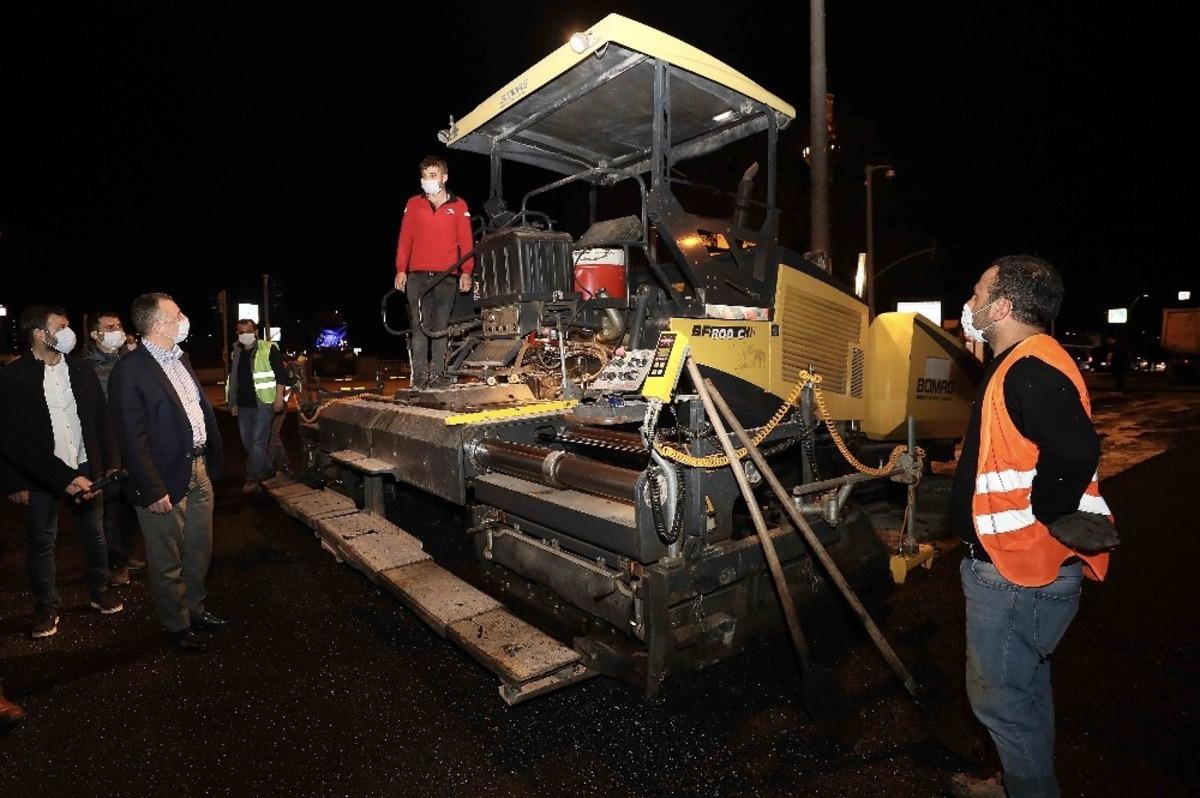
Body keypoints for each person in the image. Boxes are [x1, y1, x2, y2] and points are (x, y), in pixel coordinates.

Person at [948, 256, 1113, 798]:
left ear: (1001, 307)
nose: (969, 305)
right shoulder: (1027, 362)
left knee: (1002, 702)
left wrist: (1048, 508)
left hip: (1016, 567)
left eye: (977, 294)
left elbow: (1075, 446)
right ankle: (1018, 781)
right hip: (1025, 565)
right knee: (1025, 689)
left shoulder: (1028, 366)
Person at [109, 293, 227, 653]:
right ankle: (176, 626)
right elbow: (131, 439)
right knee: (167, 559)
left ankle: (195, 609)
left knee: (198, 550)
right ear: (159, 325)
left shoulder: (180, 359)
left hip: (199, 470)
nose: (183, 319)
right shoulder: (129, 370)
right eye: (177, 314)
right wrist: (151, 488)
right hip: (162, 480)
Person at [0, 306, 124, 640]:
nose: (69, 332)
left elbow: (102, 418)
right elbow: (10, 438)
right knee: (42, 542)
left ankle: (100, 590)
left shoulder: (80, 369)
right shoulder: (13, 377)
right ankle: (46, 607)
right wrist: (14, 482)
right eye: (62, 327)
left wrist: (109, 462)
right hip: (40, 476)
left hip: (84, 465)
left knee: (94, 534)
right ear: (40, 334)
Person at [393, 155, 475, 390]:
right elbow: (404, 240)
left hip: (446, 277)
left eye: (432, 176)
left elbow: (466, 243)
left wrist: (466, 272)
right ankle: (419, 376)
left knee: (440, 328)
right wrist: (401, 270)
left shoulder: (459, 206)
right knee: (419, 329)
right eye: (424, 176)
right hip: (417, 276)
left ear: (444, 177)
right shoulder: (413, 204)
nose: (427, 180)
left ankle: (438, 376)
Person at [83, 310, 145, 584]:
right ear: (95, 334)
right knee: (110, 506)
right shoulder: (83, 367)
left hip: (131, 441)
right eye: (110, 327)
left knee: (131, 501)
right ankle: (114, 563)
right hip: (104, 446)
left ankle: (129, 552)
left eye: (119, 326)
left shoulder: (129, 360)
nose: (117, 331)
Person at [225, 319, 288, 493]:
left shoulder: (268, 348)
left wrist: (278, 398)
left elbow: (281, 376)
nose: (244, 335)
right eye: (240, 332)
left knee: (258, 441)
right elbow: (234, 379)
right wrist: (233, 403)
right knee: (248, 442)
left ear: (256, 332)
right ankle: (266, 468)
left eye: (248, 331)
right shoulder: (236, 351)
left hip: (264, 403)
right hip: (243, 405)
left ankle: (252, 478)